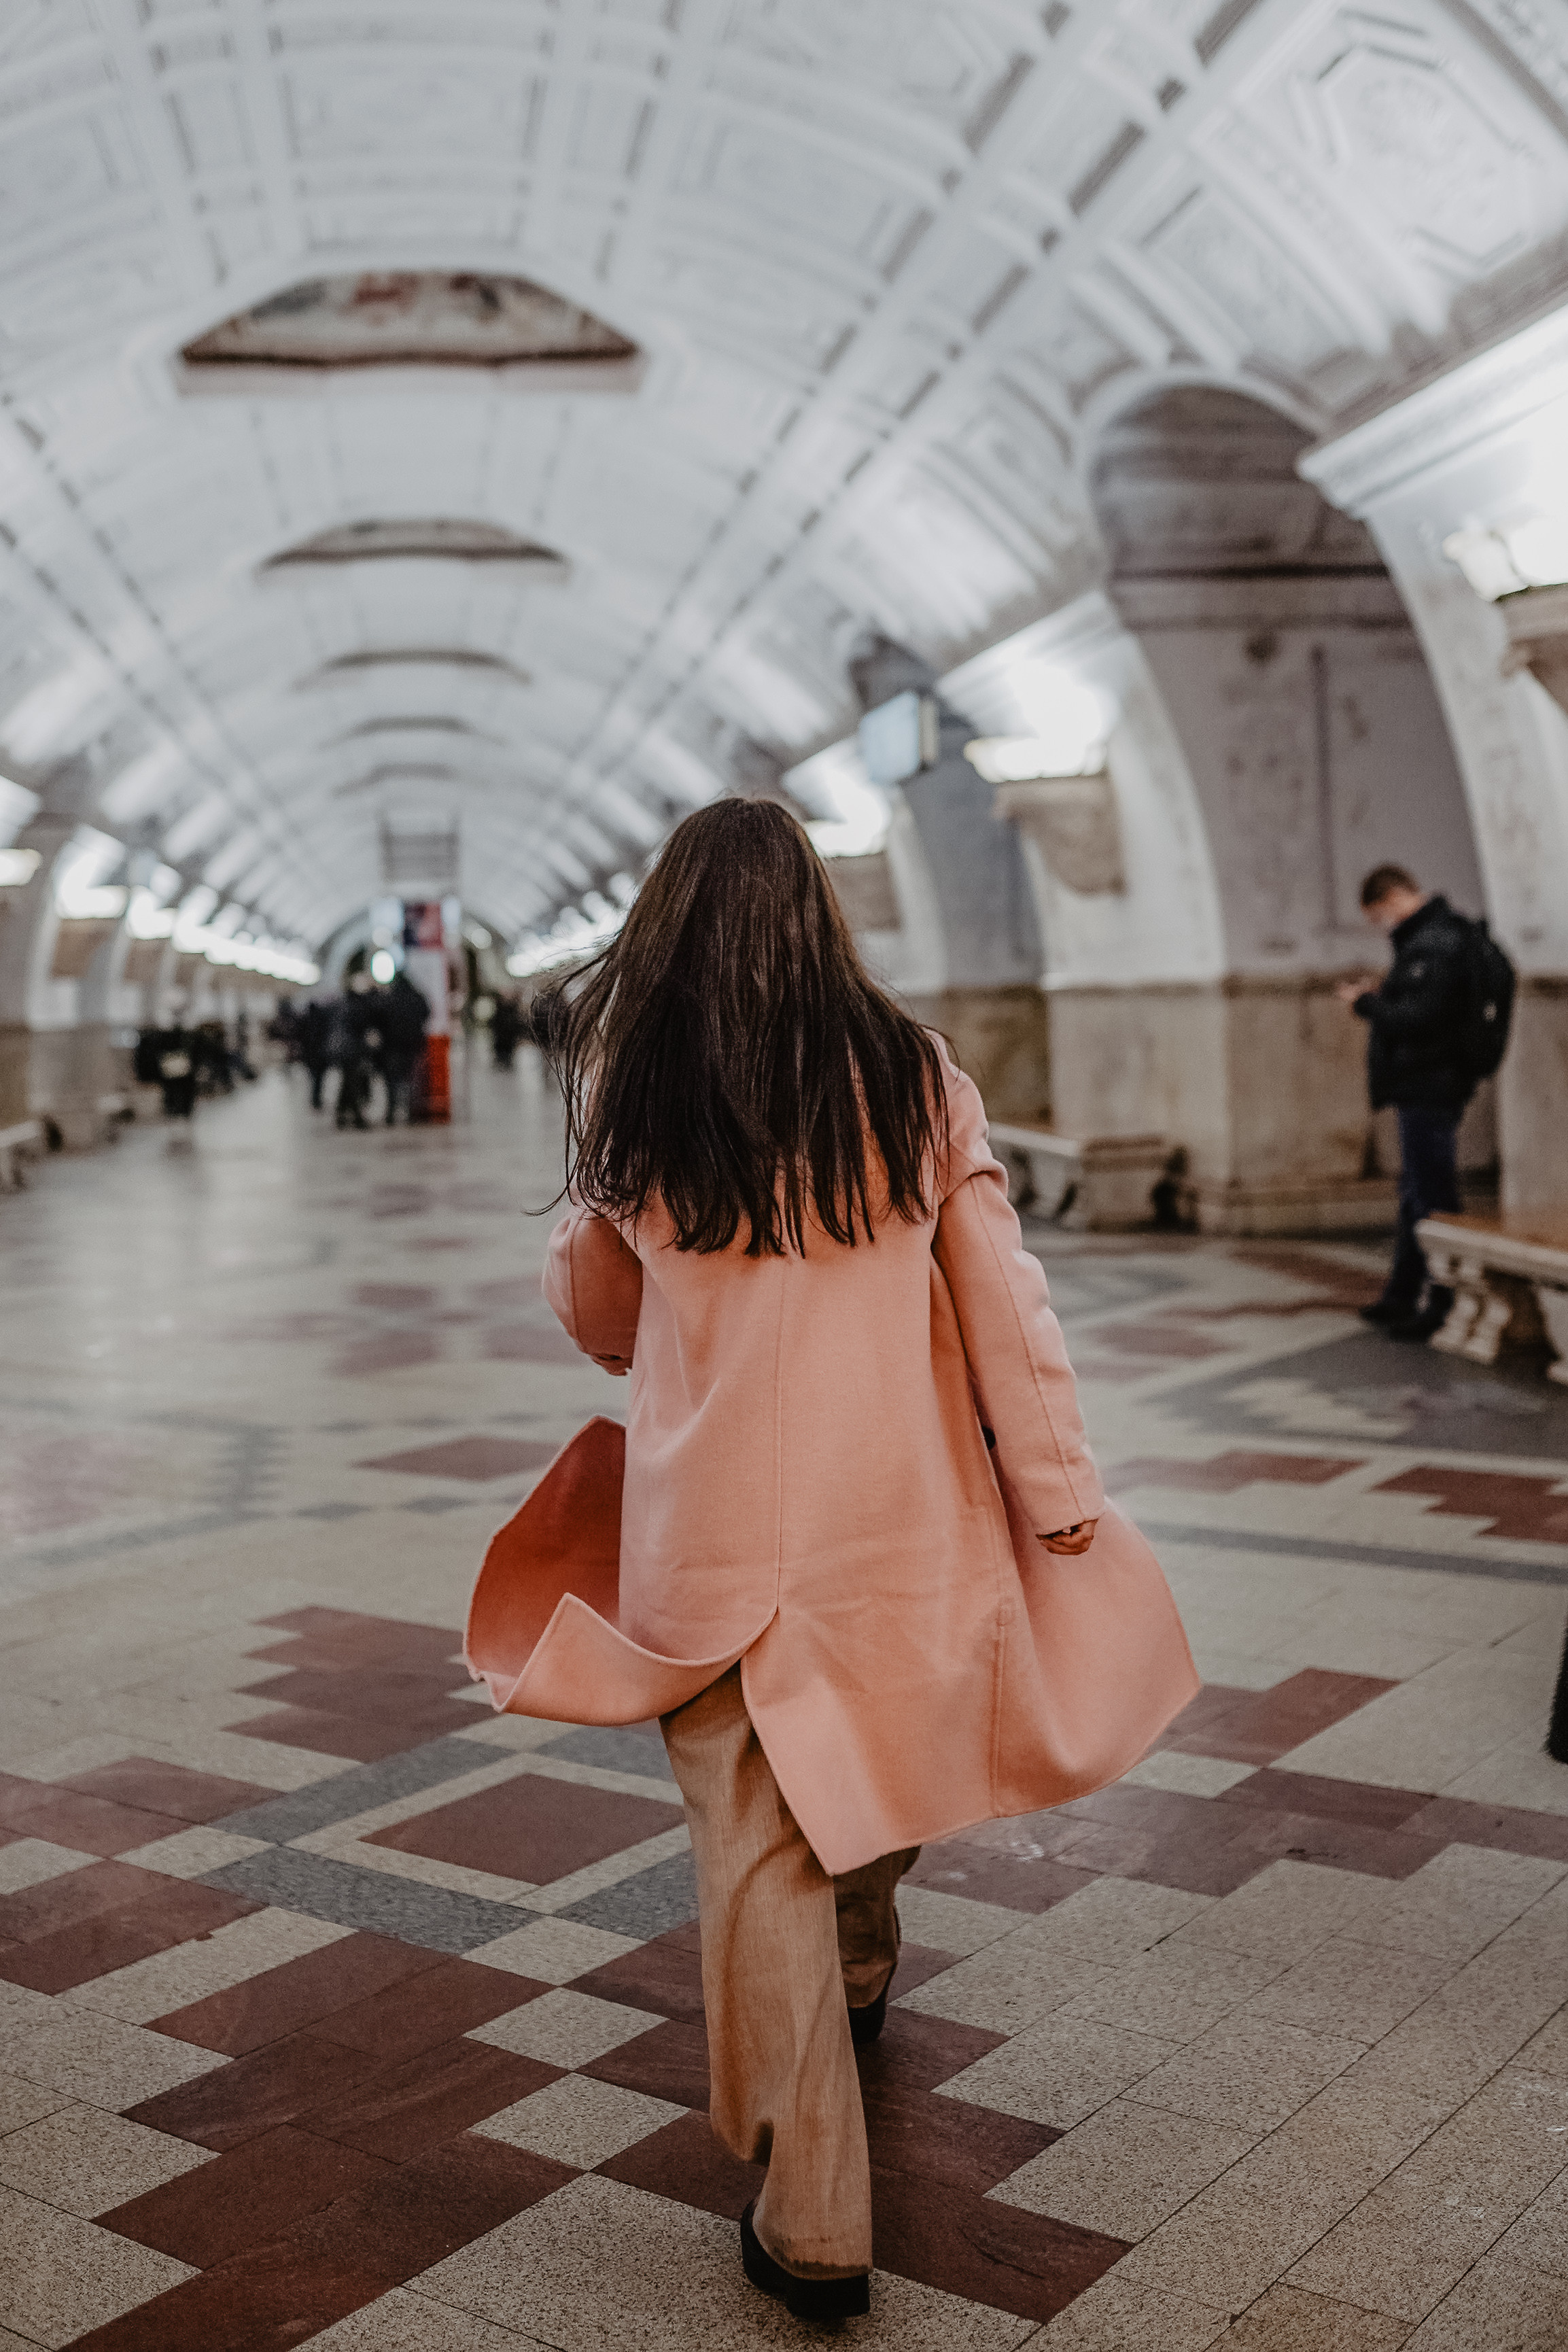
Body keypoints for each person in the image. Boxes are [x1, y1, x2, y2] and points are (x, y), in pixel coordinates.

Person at [464, 799, 1197, 2321]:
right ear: (821, 912)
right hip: (895, 1526)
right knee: (867, 1750)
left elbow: (600, 1316)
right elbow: (1001, 1294)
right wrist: (1058, 1488)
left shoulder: (640, 1083)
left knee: (758, 1851)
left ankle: (808, 2214)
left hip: (710, 1545)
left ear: (664, 926)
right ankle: (858, 1964)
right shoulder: (912, 1077)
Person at [1338, 865, 1480, 1341]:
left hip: (1429, 1085)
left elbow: (1420, 1018)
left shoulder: (1434, 942)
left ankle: (1444, 1301)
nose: (1382, 925)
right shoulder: (1428, 940)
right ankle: (1402, 1294)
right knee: (1414, 1194)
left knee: (1433, 1197)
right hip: (1422, 1084)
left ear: (1391, 898)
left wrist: (1365, 1004)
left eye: (1378, 916)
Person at [379, 968, 430, 1126]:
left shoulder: (390, 998)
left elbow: (381, 1020)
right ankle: (412, 1112)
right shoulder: (417, 997)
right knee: (412, 1079)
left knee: (392, 1081)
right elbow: (427, 1013)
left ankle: (391, 1111)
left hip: (392, 1046)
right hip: (414, 1045)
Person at [296, 995, 336, 1111]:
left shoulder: (305, 1020)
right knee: (319, 1079)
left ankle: (315, 1099)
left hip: (309, 1055)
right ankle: (316, 1099)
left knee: (313, 1078)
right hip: (320, 1054)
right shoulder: (322, 1021)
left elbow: (300, 1036)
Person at [490, 991, 523, 1071]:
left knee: (508, 1051)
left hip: (509, 1035)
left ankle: (506, 1063)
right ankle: (501, 1062)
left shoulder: (512, 1008)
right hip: (501, 1035)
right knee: (501, 1051)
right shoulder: (500, 1008)